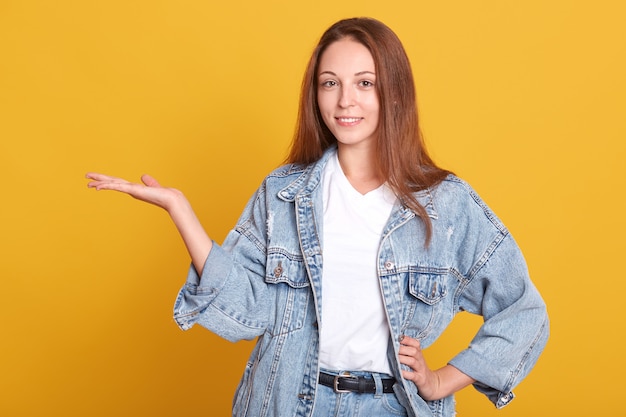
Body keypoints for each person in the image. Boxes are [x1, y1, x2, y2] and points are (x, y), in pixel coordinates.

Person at [86, 17, 549, 417]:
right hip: (288, 400)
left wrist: (443, 380)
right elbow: (247, 312)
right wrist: (181, 211)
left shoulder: (445, 205)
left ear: (394, 92)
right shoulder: (284, 193)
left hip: (391, 405)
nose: (345, 100)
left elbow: (524, 312)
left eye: (364, 83)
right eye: (331, 83)